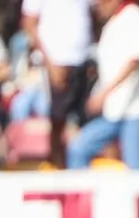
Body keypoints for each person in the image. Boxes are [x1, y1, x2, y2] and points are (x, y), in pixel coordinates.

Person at [66, 0, 139, 170]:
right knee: (79, 148)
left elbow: (135, 60)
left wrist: (104, 94)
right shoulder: (113, 21)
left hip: (135, 109)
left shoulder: (135, 17)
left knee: (135, 167)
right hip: (113, 111)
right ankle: (81, 188)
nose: (98, 6)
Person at [20, 0, 91, 168]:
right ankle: (57, 169)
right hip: (56, 61)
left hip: (84, 61)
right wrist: (49, 63)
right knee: (58, 120)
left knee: (84, 121)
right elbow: (29, 22)